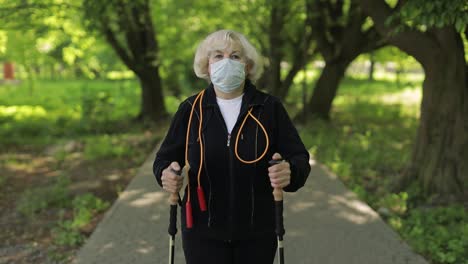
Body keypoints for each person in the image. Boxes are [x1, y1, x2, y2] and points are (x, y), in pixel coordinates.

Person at [153, 29, 311, 264]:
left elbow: (299, 159)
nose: (226, 61)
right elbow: (163, 161)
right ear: (207, 66)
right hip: (201, 231)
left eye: (235, 56)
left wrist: (290, 171)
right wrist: (167, 174)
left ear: (248, 66)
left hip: (258, 232)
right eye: (218, 56)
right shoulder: (190, 109)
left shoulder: (269, 108)